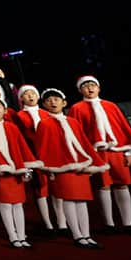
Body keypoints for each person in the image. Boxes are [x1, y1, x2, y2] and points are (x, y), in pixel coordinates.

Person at [68, 75, 131, 235]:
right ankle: (108, 224)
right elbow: (76, 134)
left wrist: (130, 151)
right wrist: (84, 158)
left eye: (92, 85)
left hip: (117, 151)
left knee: (122, 184)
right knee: (103, 186)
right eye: (85, 86)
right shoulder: (76, 108)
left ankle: (128, 223)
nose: (90, 88)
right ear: (79, 90)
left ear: (98, 88)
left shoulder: (111, 106)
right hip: (96, 153)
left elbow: (124, 128)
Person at [36, 88, 110, 249]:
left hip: (81, 167)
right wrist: (48, 169)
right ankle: (77, 235)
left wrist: (91, 164)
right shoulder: (44, 123)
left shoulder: (73, 122)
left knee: (81, 200)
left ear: (64, 103)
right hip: (61, 168)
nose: (53, 102)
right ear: (44, 105)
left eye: (56, 99)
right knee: (69, 200)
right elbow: (43, 147)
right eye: (48, 100)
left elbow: (84, 143)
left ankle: (87, 235)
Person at [0, 96, 41, 249]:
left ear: (5, 111)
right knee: (5, 206)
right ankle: (13, 236)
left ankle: (22, 235)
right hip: (0, 176)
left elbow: (23, 148)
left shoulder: (13, 127)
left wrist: (27, 170)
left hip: (16, 174)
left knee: (18, 205)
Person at [14, 84, 64, 236]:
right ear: (21, 98)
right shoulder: (19, 116)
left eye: (33, 93)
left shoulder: (47, 113)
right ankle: (48, 224)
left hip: (52, 156)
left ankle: (62, 224)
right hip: (33, 156)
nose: (30, 96)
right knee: (41, 190)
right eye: (26, 94)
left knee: (57, 189)